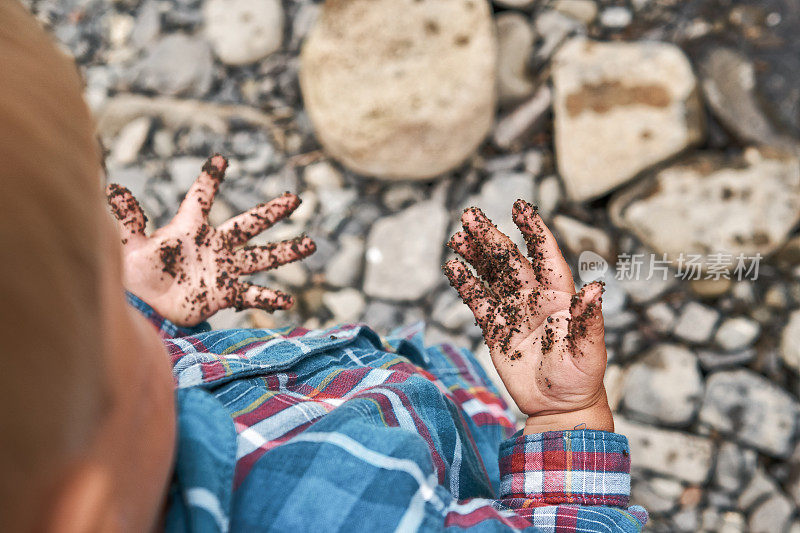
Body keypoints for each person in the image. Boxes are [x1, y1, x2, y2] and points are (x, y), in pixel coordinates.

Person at [0, 1, 647, 531]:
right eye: (104, 301)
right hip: (490, 471)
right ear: (88, 514)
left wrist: (145, 307)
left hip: (383, 392)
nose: (116, 284)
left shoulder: (91, 419)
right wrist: (565, 416)